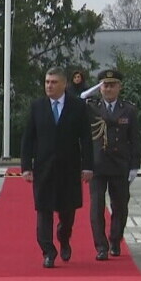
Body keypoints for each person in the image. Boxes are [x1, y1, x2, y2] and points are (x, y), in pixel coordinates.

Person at [20, 67, 93, 268]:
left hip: (69, 168)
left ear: (64, 84)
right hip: (44, 167)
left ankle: (64, 236)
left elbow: (86, 138)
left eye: (53, 82)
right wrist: (26, 166)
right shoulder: (37, 106)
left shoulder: (78, 106)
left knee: (67, 211)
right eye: (47, 82)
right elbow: (28, 138)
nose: (49, 86)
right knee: (43, 210)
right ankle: (48, 252)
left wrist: (88, 166)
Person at [86, 70, 140, 261]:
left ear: (119, 87)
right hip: (97, 164)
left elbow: (134, 139)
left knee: (120, 206)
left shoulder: (129, 109)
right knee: (96, 207)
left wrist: (134, 166)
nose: (108, 89)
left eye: (112, 85)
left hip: (119, 164)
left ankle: (115, 240)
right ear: (99, 88)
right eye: (105, 85)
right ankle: (101, 246)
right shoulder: (91, 107)